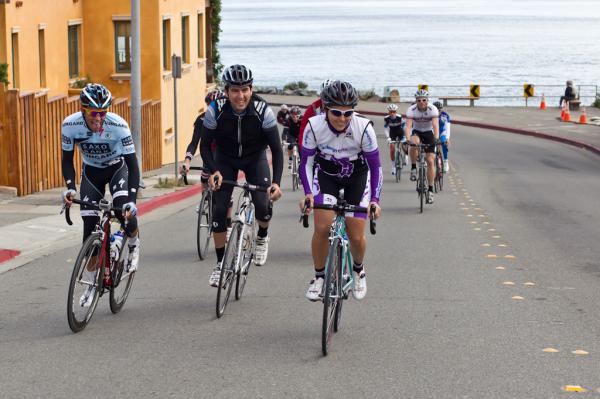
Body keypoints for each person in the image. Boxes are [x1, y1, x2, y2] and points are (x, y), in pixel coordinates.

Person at [200, 64, 284, 287]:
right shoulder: (215, 109)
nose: (241, 95)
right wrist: (213, 170)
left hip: (255, 157)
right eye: (235, 90)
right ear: (226, 91)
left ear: (251, 89)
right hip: (225, 158)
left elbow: (276, 149)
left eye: (245, 89)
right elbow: (205, 146)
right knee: (219, 208)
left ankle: (262, 236)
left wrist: (276, 183)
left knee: (262, 203)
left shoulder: (262, 109)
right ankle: (220, 264)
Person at [299, 80, 382, 302]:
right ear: (325, 108)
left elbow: (376, 167)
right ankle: (318, 277)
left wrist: (374, 199)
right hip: (327, 177)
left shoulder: (364, 128)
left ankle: (358, 269)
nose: (343, 119)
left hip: (357, 177)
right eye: (336, 113)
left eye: (348, 113)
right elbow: (306, 163)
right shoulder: (313, 126)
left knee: (356, 235)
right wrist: (308, 193)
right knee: (323, 227)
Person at [61, 83, 140, 307]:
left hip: (117, 169)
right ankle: (89, 285)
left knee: (124, 210)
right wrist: (69, 187)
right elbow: (67, 161)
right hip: (91, 173)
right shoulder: (70, 125)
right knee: (89, 232)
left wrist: (132, 201)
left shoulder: (119, 126)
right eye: (93, 113)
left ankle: (133, 243)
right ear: (83, 110)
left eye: (103, 113)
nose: (98, 118)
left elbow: (133, 167)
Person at [180, 89, 226, 185]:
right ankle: (205, 197)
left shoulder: (228, 118)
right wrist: (187, 162)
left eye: (216, 105)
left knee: (223, 184)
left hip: (223, 154)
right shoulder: (201, 119)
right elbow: (194, 142)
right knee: (205, 178)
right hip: (208, 154)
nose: (213, 108)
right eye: (210, 105)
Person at [406, 89, 439, 204]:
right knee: (414, 142)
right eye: (419, 100)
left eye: (424, 100)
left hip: (429, 133)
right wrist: (407, 139)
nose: (421, 102)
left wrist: (436, 138)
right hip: (417, 131)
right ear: (416, 101)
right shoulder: (411, 110)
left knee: (430, 160)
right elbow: (409, 126)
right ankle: (414, 168)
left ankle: (430, 190)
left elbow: (435, 125)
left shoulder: (433, 109)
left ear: (427, 100)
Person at [298, 79, 334, 149]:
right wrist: (301, 146)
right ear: (321, 95)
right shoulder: (313, 108)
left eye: (332, 96)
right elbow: (304, 128)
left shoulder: (342, 109)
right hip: (317, 141)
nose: (328, 99)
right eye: (325, 96)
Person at [383, 103, 407, 175]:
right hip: (392, 134)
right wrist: (388, 137)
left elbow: (404, 127)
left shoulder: (400, 117)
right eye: (391, 112)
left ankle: (406, 155)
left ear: (396, 112)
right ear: (389, 112)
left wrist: (405, 136)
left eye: (394, 112)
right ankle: (393, 166)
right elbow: (386, 129)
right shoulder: (386, 118)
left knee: (403, 145)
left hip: (400, 133)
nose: (392, 113)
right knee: (392, 149)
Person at [433, 101, 451, 172]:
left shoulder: (445, 115)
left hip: (442, 132)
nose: (438, 111)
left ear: (441, 110)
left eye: (439, 110)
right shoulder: (430, 115)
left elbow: (447, 128)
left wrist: (447, 138)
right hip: (433, 132)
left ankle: (446, 161)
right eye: (436, 110)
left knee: (444, 143)